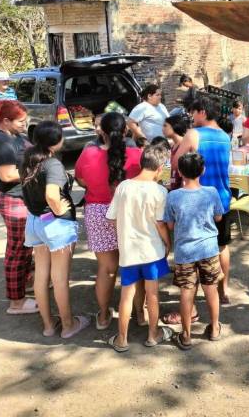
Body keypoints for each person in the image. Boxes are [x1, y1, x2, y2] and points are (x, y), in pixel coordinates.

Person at [74, 113, 144, 330]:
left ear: (101, 132)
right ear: (126, 132)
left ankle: (104, 316)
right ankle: (140, 314)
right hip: (129, 213)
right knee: (134, 266)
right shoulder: (136, 154)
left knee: (106, 269)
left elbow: (81, 180)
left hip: (98, 212)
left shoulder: (88, 154)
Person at [20, 121, 89, 338]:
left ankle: (49, 325)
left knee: (41, 275)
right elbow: (51, 194)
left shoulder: (27, 158)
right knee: (59, 278)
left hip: (34, 221)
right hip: (54, 223)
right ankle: (68, 325)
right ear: (56, 141)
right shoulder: (53, 165)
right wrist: (59, 209)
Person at [106, 144, 174, 352]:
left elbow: (111, 219)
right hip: (152, 250)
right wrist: (168, 243)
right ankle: (153, 335)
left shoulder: (124, 186)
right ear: (160, 168)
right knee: (153, 294)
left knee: (127, 294)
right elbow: (161, 223)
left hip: (128, 250)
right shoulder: (160, 191)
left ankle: (122, 339)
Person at [174, 97, 233, 305]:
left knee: (195, 247)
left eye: (193, 112)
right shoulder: (226, 137)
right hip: (222, 198)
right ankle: (223, 290)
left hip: (197, 200)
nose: (191, 116)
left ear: (202, 112)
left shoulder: (193, 134)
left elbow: (176, 163)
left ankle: (194, 293)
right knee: (222, 246)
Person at [164, 152, 225, 349]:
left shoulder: (173, 196)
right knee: (211, 289)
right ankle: (215, 327)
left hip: (185, 251)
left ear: (180, 172)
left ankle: (186, 334)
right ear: (203, 170)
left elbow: (171, 225)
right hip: (208, 249)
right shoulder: (211, 192)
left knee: (186, 292)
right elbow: (218, 217)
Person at [0, 100, 37, 315]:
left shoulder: (12, 135)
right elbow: (7, 175)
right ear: (5, 121)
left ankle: (28, 283)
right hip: (14, 202)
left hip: (23, 200)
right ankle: (17, 302)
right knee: (16, 253)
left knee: (26, 249)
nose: (26, 124)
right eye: (21, 121)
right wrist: (39, 169)